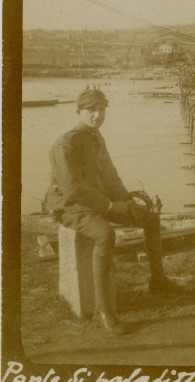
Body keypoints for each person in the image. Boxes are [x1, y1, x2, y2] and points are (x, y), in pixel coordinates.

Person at [44, 89, 182, 336]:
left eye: (101, 110)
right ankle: (103, 310)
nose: (97, 115)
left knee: (149, 218)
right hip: (69, 205)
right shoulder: (65, 143)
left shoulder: (96, 138)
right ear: (78, 112)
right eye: (91, 110)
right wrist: (110, 207)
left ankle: (158, 280)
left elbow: (111, 177)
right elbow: (74, 188)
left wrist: (128, 202)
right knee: (105, 233)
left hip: (97, 200)